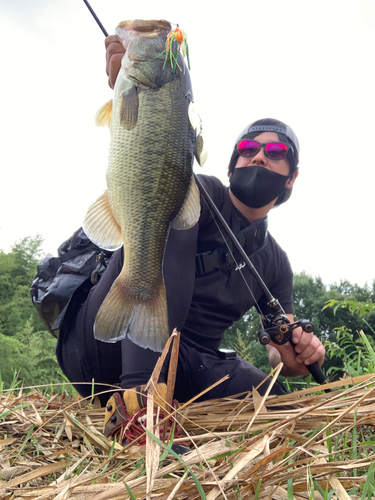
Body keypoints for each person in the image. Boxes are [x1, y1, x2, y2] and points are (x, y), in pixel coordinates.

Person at [55, 35, 325, 441]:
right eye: (249, 148)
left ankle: (161, 397)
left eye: (275, 152)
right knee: (175, 203)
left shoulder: (275, 263)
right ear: (233, 162)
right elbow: (154, 151)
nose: (258, 156)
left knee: (274, 402)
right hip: (105, 339)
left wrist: (293, 356)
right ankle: (137, 405)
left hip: (185, 365)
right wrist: (135, 96)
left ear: (291, 177)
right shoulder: (198, 189)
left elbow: (277, 350)